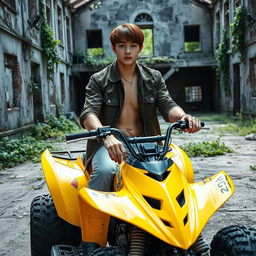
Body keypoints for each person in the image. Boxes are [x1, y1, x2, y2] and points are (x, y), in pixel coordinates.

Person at [79, 23, 202, 255]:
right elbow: (88, 114)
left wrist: (184, 116)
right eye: (122, 46)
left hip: (148, 144)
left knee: (180, 169)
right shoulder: (99, 79)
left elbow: (167, 105)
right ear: (114, 48)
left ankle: (184, 232)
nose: (128, 51)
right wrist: (106, 135)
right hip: (111, 143)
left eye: (133, 45)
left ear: (140, 48)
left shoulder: (153, 77)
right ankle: (92, 242)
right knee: (105, 172)